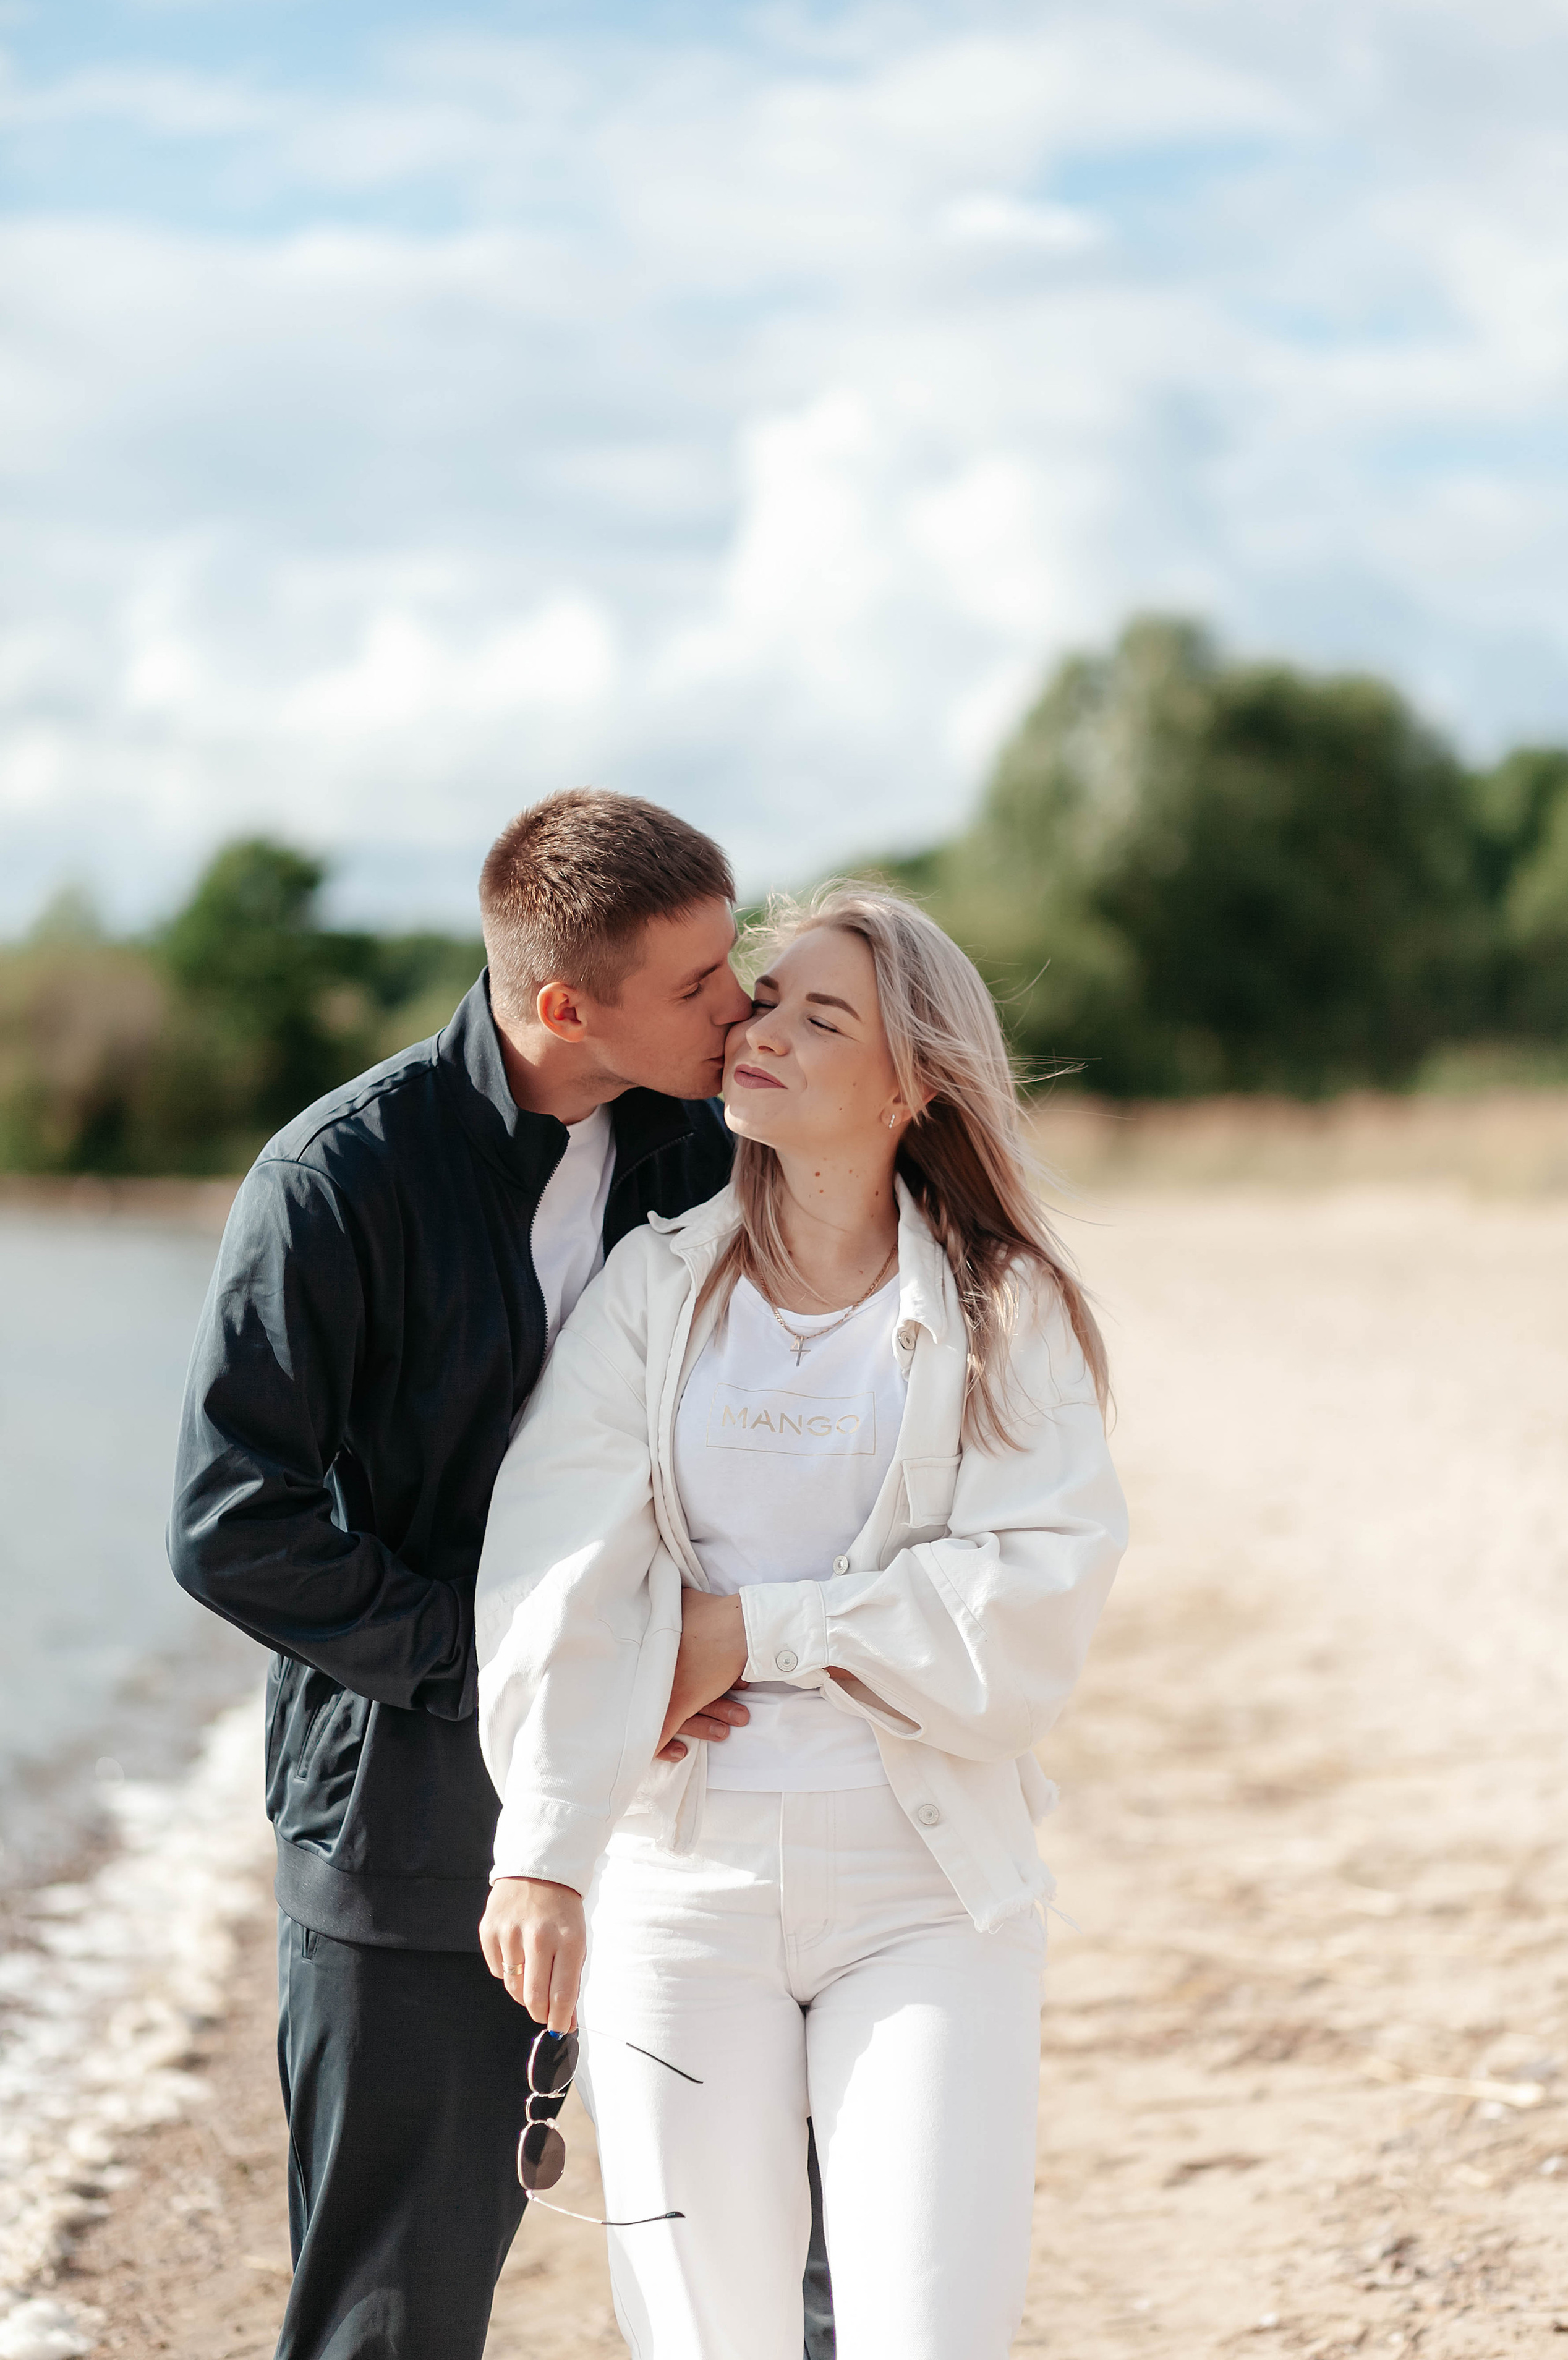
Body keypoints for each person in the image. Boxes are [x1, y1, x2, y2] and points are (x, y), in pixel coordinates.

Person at [168, 791, 839, 2360]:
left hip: (706, 1799)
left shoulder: (718, 1149)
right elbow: (231, 1521)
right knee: (393, 2313)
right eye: (696, 983)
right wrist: (541, 1677)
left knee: (795, 2267)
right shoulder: (334, 1180)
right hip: (409, 1814)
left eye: (733, 962)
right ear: (567, 1009)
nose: (738, 1004)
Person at [475, 880, 1128, 2358]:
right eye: (763, 1000)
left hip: (926, 1892)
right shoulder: (649, 1290)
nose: (758, 1031)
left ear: (911, 1086)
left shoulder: (1008, 1308)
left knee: (928, 2332)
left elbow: (1027, 1611)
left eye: (819, 1017)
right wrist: (545, 1854)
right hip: (674, 1887)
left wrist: (748, 1632)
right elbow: (559, 1576)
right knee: (708, 2336)